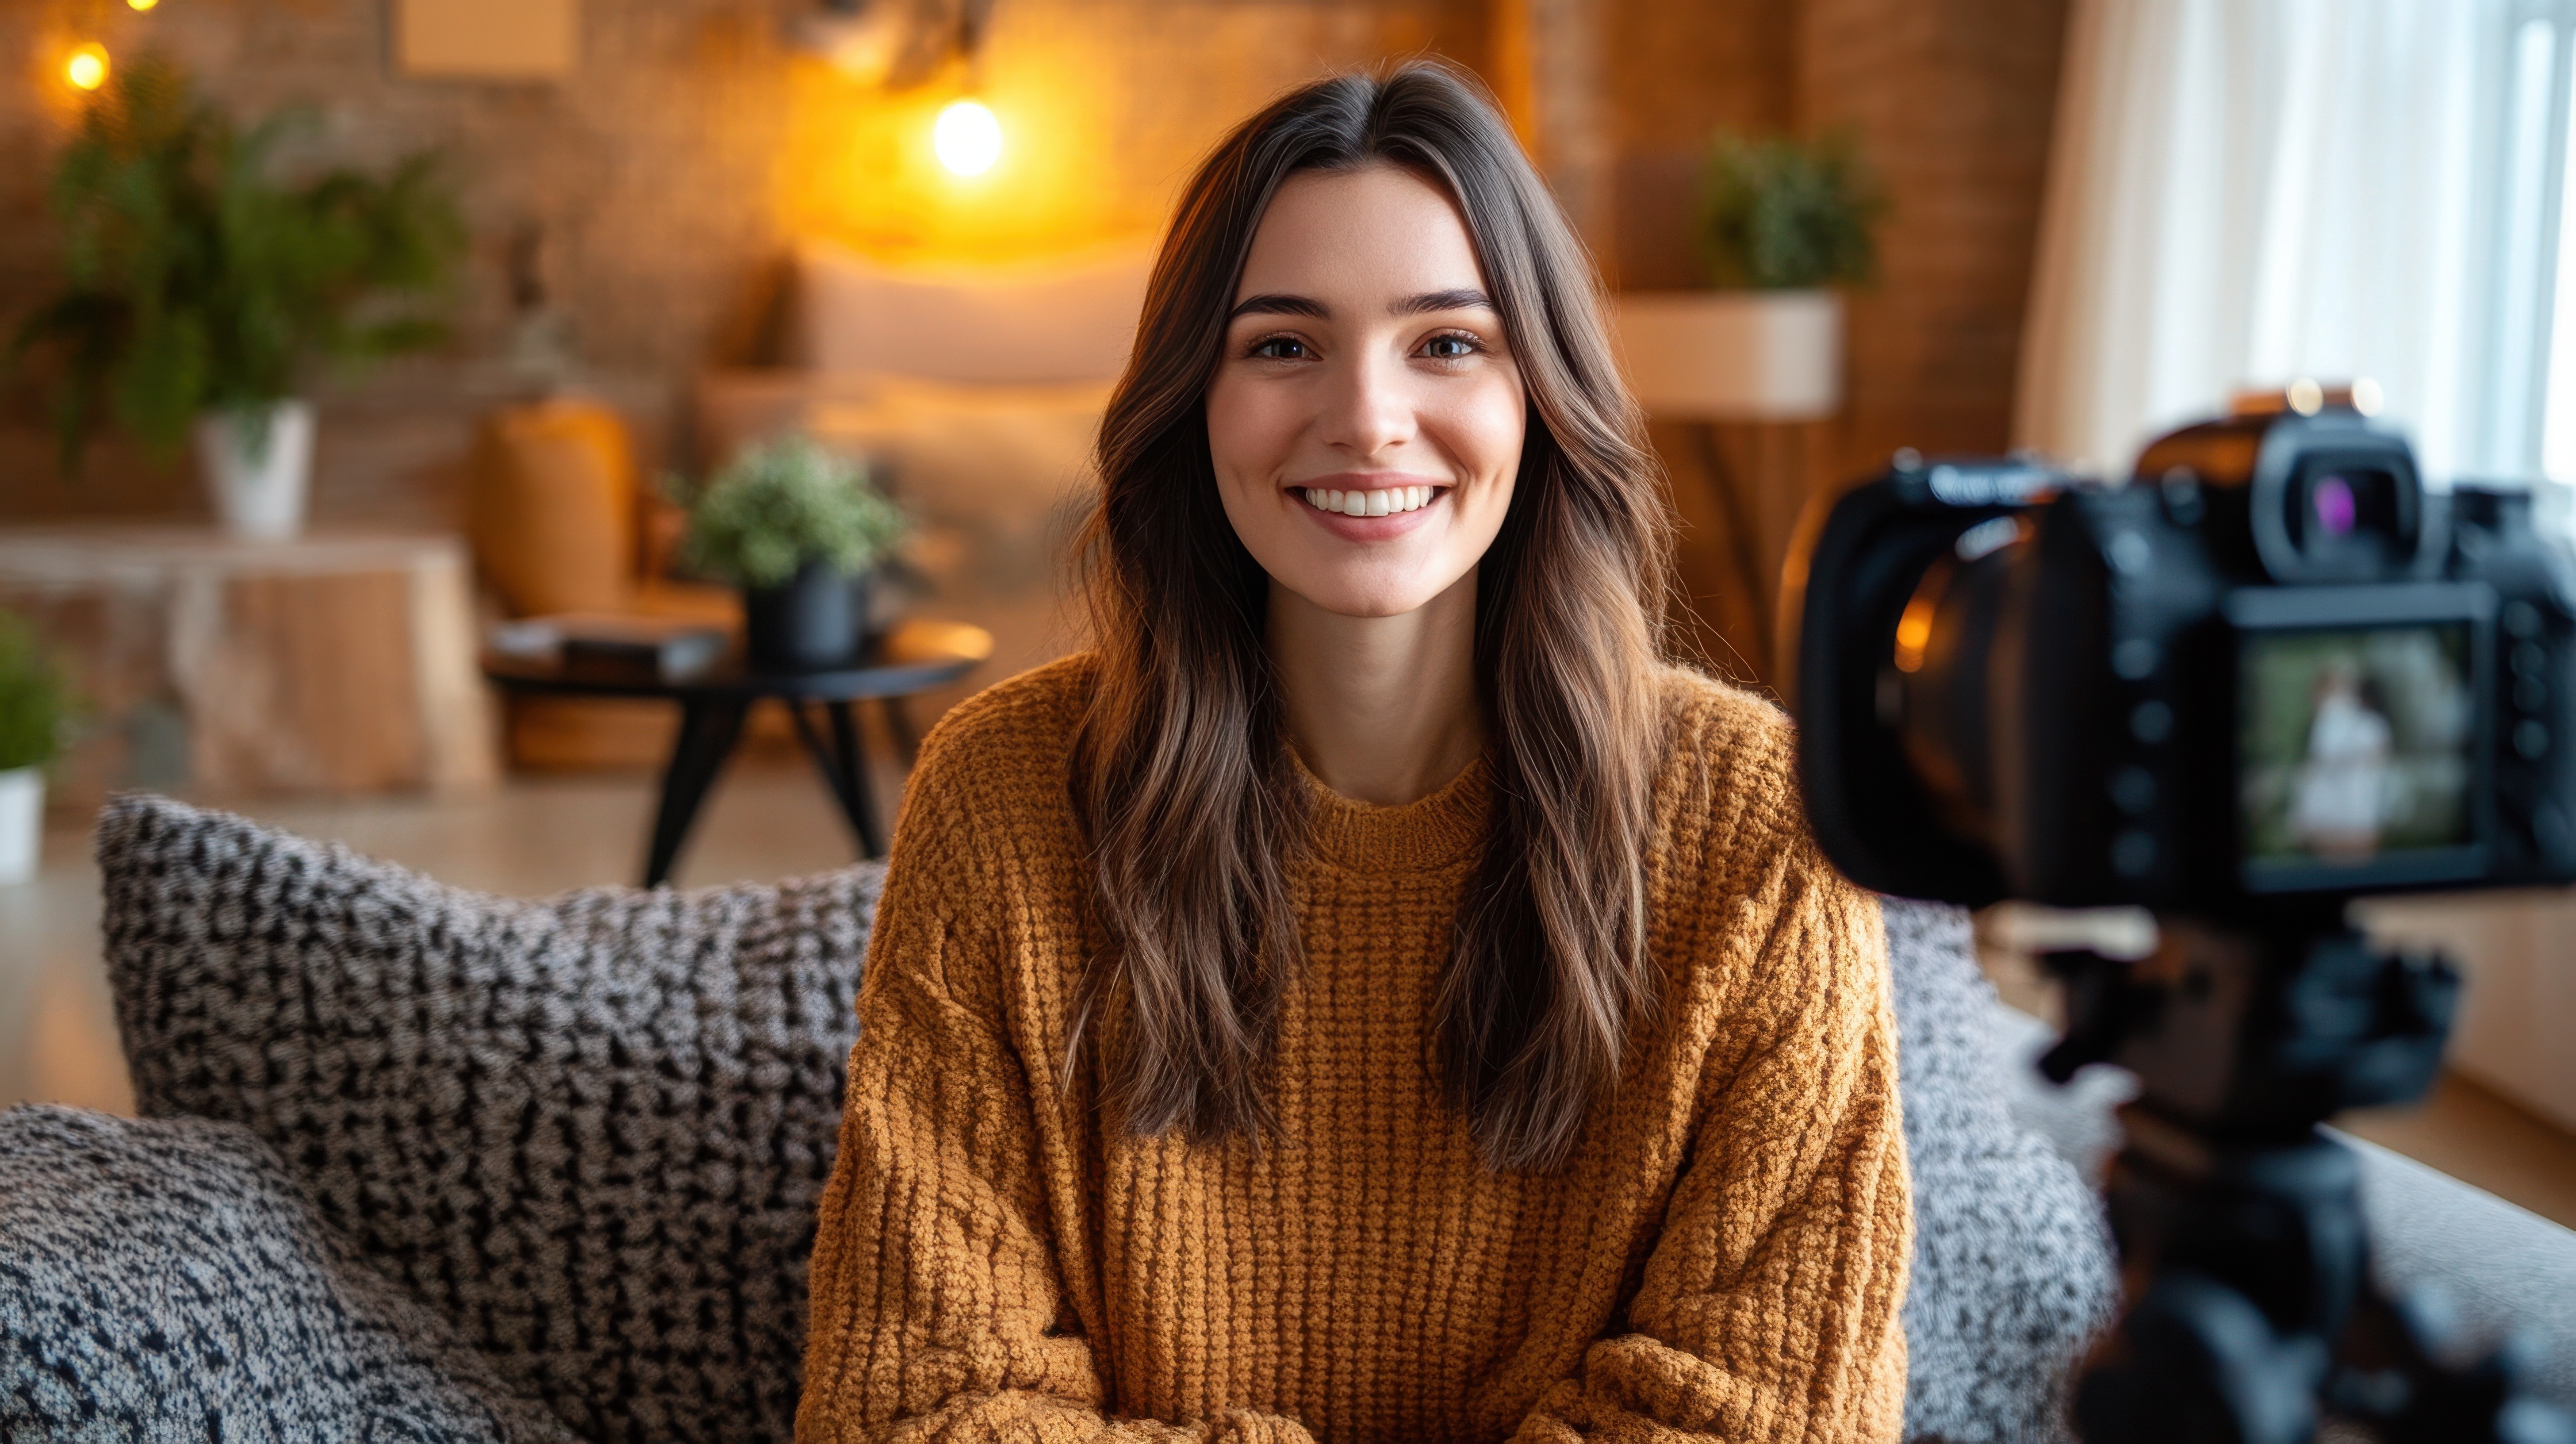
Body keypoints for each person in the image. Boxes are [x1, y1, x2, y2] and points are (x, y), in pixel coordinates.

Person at [798, 62, 1909, 1444]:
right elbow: (915, 1412)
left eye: (1447, 343)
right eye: (1282, 345)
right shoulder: (1005, 801)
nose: (1370, 417)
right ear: (1193, 401)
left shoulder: (1757, 826)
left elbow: (1773, 1420)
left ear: (1539, 397)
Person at [2288, 661, 2396, 862]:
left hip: (2351, 809)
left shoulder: (2347, 717)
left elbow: (2330, 752)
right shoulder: (2337, 717)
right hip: (2340, 811)